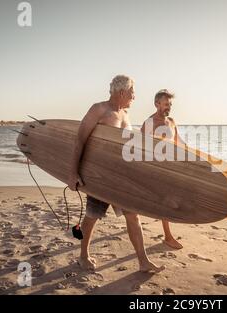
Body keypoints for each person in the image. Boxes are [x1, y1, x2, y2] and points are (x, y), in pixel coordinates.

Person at [68, 75, 165, 273]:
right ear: (122, 92)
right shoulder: (99, 109)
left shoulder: (126, 115)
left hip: (120, 177)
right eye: (132, 93)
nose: (134, 97)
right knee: (92, 216)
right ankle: (83, 256)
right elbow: (80, 140)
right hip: (99, 176)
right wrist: (73, 172)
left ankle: (143, 261)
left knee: (133, 215)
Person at [140, 89, 185, 250]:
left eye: (170, 104)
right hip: (157, 168)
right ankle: (168, 237)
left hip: (172, 167)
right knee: (166, 201)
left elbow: (179, 143)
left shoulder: (171, 121)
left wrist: (193, 158)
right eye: (166, 104)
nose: (169, 107)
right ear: (157, 104)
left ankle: (133, 218)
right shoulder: (149, 123)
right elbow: (140, 147)